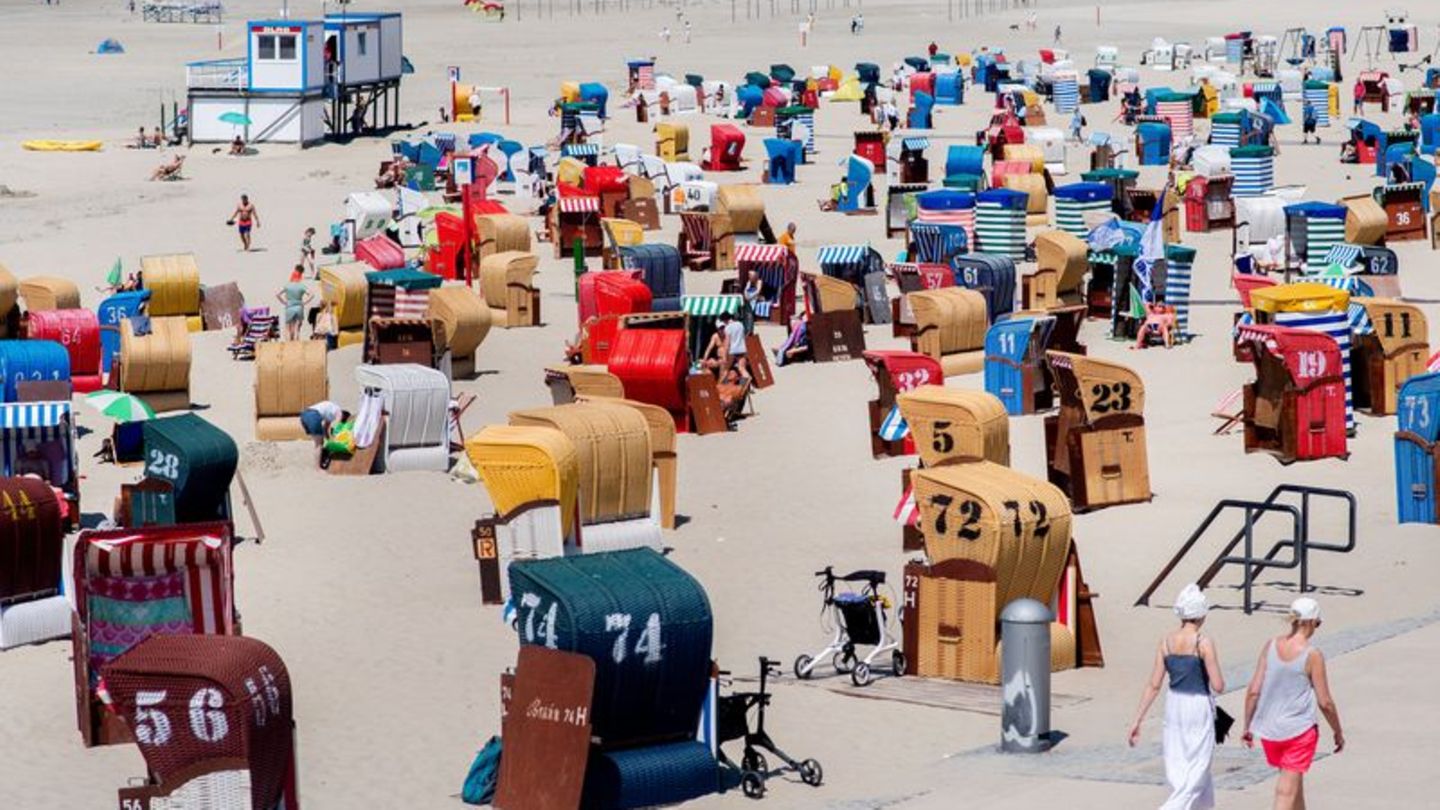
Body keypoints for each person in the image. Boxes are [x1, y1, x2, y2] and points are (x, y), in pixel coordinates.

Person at [1127, 584, 1224, 810]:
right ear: (1201, 614)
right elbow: (1218, 685)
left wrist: (1137, 719)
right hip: (1197, 705)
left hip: (1174, 706)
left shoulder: (1166, 642)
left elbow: (1153, 685)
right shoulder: (1203, 642)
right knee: (1198, 766)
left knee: (1179, 765)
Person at [1243, 597, 1345, 810]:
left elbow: (1253, 690)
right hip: (1299, 731)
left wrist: (1247, 726)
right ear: (1310, 623)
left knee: (1293, 786)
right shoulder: (1312, 655)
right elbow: (1325, 702)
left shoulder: (1270, 645)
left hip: (1270, 731)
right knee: (1285, 793)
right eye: (1317, 623)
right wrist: (1337, 731)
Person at [276, 268, 313, 340]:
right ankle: (297, 345)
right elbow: (312, 294)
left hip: (289, 307)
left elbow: (277, 294)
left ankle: (289, 345)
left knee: (288, 328)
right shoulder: (301, 286)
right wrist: (305, 302)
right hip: (299, 307)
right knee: (297, 329)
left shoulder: (288, 285)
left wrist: (284, 302)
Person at [719, 311, 750, 381]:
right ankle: (748, 386)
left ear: (725, 320)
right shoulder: (740, 324)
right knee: (742, 369)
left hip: (733, 350)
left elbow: (727, 343)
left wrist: (724, 356)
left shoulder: (728, 328)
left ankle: (720, 385)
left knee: (726, 369)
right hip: (742, 349)